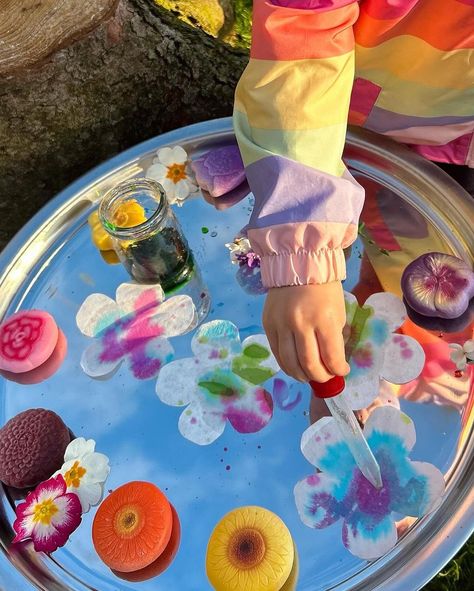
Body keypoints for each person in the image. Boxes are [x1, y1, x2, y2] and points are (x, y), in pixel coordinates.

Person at [233, 0, 474, 383]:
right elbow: (302, 32)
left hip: (456, 143)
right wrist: (303, 253)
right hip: (344, 138)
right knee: (402, 282)